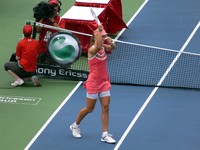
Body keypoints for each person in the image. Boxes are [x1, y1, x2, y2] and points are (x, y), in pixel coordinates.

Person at [70, 24, 116, 144]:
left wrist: (108, 38)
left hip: (104, 81)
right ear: (95, 38)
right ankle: (75, 125)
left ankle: (105, 134)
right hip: (93, 83)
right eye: (98, 36)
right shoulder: (92, 50)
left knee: (106, 107)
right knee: (89, 109)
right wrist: (101, 31)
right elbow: (99, 44)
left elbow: (113, 47)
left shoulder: (102, 47)